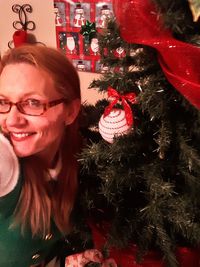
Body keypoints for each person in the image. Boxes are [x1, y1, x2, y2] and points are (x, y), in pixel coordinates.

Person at [0, 45, 81, 267]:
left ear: (71, 112)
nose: (11, 120)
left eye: (32, 103)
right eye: (3, 102)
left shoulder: (80, 158)